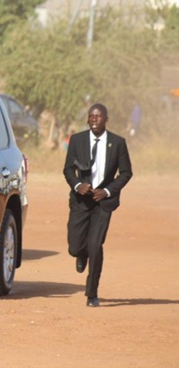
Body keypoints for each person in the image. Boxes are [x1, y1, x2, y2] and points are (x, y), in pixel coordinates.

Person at [63, 103, 133, 307]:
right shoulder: (77, 140)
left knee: (95, 246)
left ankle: (91, 293)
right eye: (91, 116)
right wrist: (77, 185)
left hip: (103, 203)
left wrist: (108, 191)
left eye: (98, 116)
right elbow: (67, 169)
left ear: (106, 119)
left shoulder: (117, 143)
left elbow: (127, 172)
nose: (94, 119)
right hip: (80, 202)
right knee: (75, 247)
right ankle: (80, 253)